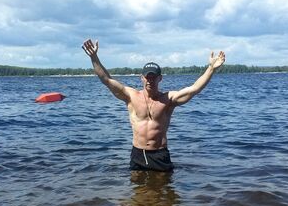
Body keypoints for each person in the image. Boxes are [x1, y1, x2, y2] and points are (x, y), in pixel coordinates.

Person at [82, 39, 226, 172]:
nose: (150, 80)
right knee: (138, 190)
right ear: (142, 78)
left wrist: (211, 68)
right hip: (138, 154)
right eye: (147, 77)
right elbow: (106, 80)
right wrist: (94, 57)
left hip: (160, 154)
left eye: (153, 77)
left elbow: (195, 89)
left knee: (164, 190)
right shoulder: (131, 96)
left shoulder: (168, 99)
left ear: (160, 78)